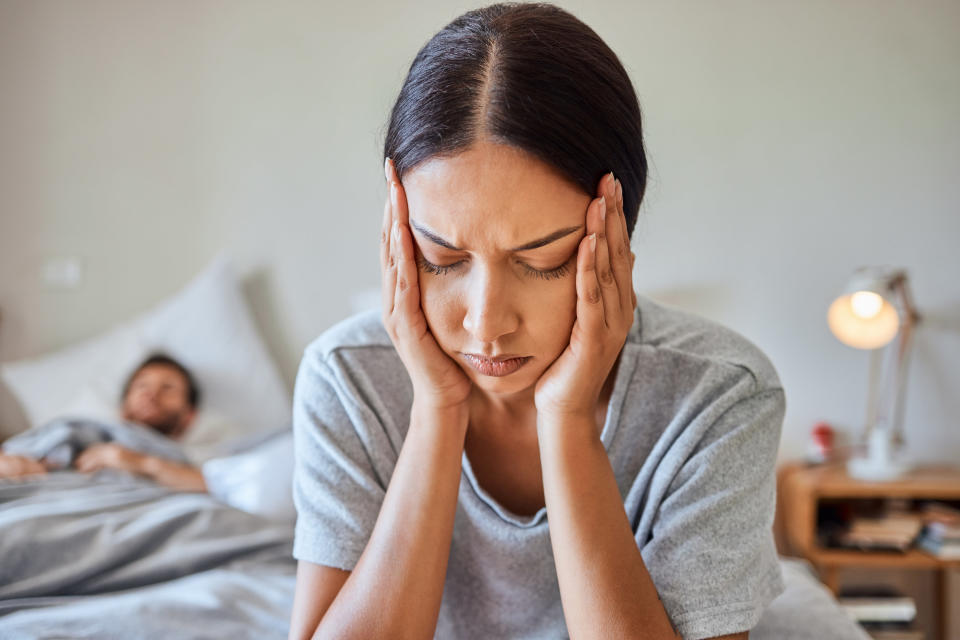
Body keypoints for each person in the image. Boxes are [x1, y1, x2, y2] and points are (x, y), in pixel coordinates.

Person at [289, 4, 785, 639]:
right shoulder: (347, 378)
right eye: (442, 258)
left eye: (543, 261)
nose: (485, 321)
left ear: (618, 237)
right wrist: (437, 411)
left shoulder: (719, 395)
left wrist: (569, 422)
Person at [0, 353, 208, 492]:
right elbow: (15, 456)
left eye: (168, 388)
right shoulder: (86, 428)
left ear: (189, 416)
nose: (151, 394)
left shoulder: (195, 460)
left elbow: (218, 486)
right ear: (123, 407)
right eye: (142, 386)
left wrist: (137, 462)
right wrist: (10, 463)